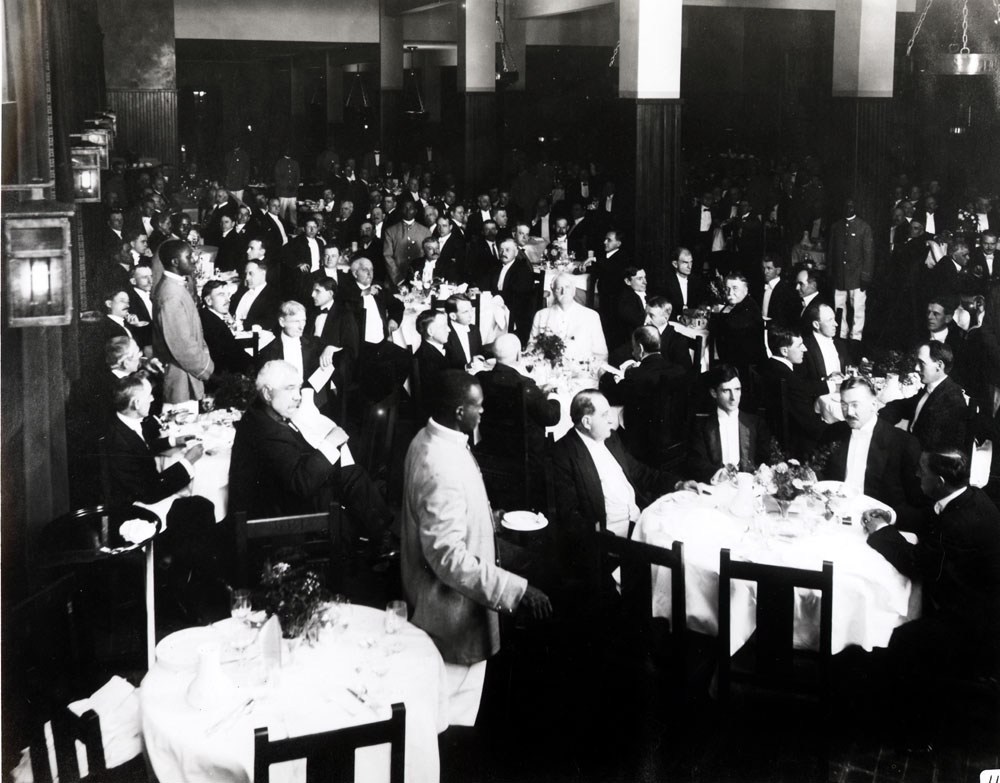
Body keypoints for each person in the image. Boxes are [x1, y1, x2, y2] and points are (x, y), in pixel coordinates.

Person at [400, 370, 552, 718]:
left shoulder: (427, 439)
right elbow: (447, 557)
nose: (482, 413)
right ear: (458, 411)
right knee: (453, 717)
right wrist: (516, 590)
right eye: (477, 407)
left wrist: (489, 518)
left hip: (442, 607)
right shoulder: (442, 464)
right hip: (452, 617)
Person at [864, 450, 1000, 745]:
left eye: (921, 470)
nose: (916, 474)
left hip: (971, 622)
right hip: (972, 599)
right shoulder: (968, 497)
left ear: (938, 481)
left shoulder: (959, 523)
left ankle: (907, 734)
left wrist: (882, 531)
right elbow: (930, 516)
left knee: (897, 637)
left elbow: (915, 562)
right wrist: (892, 517)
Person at [229, 360, 396, 557]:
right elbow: (301, 483)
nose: (297, 397)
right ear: (267, 393)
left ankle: (381, 536)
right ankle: (369, 545)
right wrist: (329, 443)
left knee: (353, 475)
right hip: (277, 512)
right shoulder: (265, 429)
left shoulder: (264, 413)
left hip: (286, 492)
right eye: (290, 389)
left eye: (298, 389)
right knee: (347, 501)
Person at [551, 390, 686, 598]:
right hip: (610, 541)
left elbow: (640, 472)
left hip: (639, 523)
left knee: (682, 543)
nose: (611, 419)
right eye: (605, 415)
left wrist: (678, 483)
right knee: (673, 565)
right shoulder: (563, 454)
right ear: (587, 421)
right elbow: (569, 516)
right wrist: (612, 544)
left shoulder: (611, 439)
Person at [819, 376, 927, 526]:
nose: (848, 412)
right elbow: (821, 474)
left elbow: (917, 505)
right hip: (833, 518)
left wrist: (889, 518)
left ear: (874, 404)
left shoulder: (903, 444)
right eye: (844, 404)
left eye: (855, 405)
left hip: (877, 527)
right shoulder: (833, 432)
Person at [598, 326, 688, 466]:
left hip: (645, 448)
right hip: (678, 441)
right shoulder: (679, 371)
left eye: (633, 346)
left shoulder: (637, 376)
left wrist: (604, 376)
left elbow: (612, 394)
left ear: (639, 348)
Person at [152, 240, 214, 403]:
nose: (194, 259)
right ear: (175, 262)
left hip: (186, 371)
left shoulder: (175, 286)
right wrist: (207, 368)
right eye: (189, 256)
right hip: (181, 376)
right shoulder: (171, 294)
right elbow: (181, 344)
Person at [686, 365, 771, 483]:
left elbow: (766, 459)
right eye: (726, 391)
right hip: (717, 488)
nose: (733, 397)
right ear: (714, 393)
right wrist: (718, 475)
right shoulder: (701, 426)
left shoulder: (755, 423)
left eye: (737, 389)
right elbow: (697, 463)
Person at [879, 341, 968, 453]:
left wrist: (887, 432)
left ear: (939, 366)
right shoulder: (934, 387)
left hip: (930, 463)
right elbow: (903, 406)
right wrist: (880, 418)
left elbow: (927, 443)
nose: (916, 368)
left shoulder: (951, 399)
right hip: (915, 451)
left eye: (922, 363)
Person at [760, 326, 828, 458]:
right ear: (785, 351)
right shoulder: (787, 379)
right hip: (797, 443)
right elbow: (809, 424)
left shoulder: (770, 365)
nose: (805, 349)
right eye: (800, 345)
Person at [529, 273, 608, 365]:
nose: (564, 292)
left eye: (567, 287)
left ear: (574, 290)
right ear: (553, 291)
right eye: (559, 288)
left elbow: (601, 355)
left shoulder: (591, 316)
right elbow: (531, 347)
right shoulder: (541, 315)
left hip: (582, 373)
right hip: (549, 371)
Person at [827, 198, 873, 340]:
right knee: (839, 306)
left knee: (858, 308)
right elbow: (831, 251)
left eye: (851, 206)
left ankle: (856, 338)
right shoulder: (836, 226)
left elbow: (868, 254)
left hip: (857, 276)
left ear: (855, 208)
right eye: (846, 206)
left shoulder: (863, 227)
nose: (848, 209)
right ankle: (841, 334)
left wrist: (866, 276)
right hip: (840, 275)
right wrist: (830, 272)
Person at [709, 273, 764, 375]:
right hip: (733, 361)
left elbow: (728, 326)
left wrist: (717, 317)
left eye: (735, 288)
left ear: (745, 290)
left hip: (746, 368)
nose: (730, 293)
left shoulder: (750, 307)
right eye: (727, 288)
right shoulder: (734, 305)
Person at [487, 237, 536, 346]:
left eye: (508, 250)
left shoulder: (522, 269)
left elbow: (518, 295)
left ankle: (495, 344)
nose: (503, 253)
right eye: (501, 250)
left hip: (516, 311)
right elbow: (488, 285)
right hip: (498, 306)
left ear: (516, 252)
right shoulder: (496, 266)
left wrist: (498, 298)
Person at [199, 280, 253, 378]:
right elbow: (230, 358)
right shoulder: (211, 323)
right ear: (208, 301)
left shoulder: (209, 316)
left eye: (228, 295)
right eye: (221, 295)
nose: (228, 299)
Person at [801, 302, 850, 390]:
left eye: (834, 319)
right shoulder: (804, 346)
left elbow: (848, 369)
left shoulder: (840, 345)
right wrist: (826, 380)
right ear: (816, 324)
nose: (836, 324)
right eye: (829, 320)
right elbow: (801, 383)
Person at [382, 200, 431, 286]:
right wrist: (398, 278)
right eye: (405, 208)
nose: (408, 210)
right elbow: (387, 256)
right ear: (401, 210)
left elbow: (428, 255)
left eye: (411, 208)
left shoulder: (425, 231)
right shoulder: (390, 231)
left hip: (419, 279)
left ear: (415, 211)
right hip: (396, 280)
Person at [229, 257, 280, 333]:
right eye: (246, 274)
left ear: (263, 274)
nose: (247, 278)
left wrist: (240, 324)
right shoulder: (242, 290)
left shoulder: (272, 295)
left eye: (251, 274)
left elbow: (268, 323)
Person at [663, 247, 708, 319]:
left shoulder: (697, 281)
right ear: (675, 264)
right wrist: (679, 317)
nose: (690, 266)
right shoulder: (665, 283)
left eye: (691, 262)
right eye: (685, 263)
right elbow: (663, 309)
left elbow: (702, 303)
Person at [443, 294, 483, 368]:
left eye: (471, 310)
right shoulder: (445, 333)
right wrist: (467, 367)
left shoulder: (474, 329)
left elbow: (479, 352)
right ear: (453, 316)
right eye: (465, 312)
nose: (471, 315)